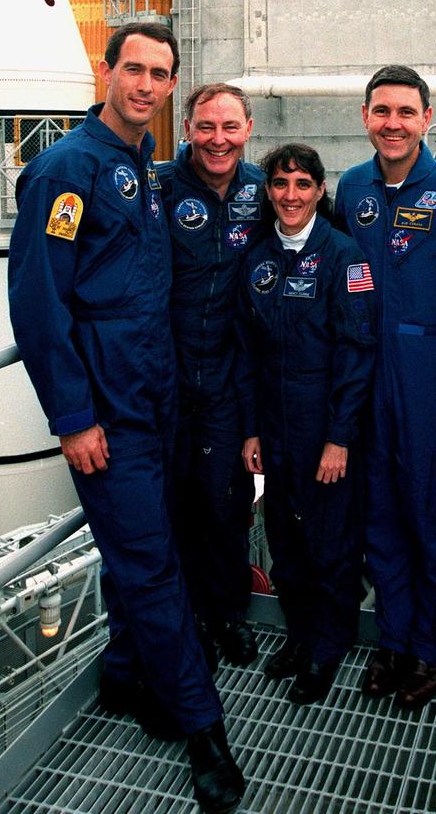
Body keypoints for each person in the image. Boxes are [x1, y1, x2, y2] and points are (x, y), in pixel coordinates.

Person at [8, 23, 245, 814]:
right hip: (109, 414)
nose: (145, 85)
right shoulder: (67, 171)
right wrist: (73, 417)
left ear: (171, 84)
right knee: (150, 563)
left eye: (159, 74)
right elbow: (39, 304)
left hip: (156, 397)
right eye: (133, 69)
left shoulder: (142, 165)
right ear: (106, 71)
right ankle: (203, 728)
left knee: (143, 551)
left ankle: (122, 675)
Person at [334, 65, 436, 710]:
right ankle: (392, 641)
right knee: (381, 520)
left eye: (405, 112)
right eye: (381, 111)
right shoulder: (351, 188)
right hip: (368, 376)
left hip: (430, 378)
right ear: (366, 116)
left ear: (427, 119)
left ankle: (430, 648)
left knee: (433, 522)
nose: (392, 124)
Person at [238, 144, 376, 704]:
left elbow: (357, 351)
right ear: (268, 191)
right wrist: (252, 429)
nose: (290, 195)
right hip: (276, 426)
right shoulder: (258, 257)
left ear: (320, 190)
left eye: (302, 184)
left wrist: (339, 438)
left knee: (330, 543)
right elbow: (246, 352)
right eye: (280, 184)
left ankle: (327, 646)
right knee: (285, 538)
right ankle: (299, 634)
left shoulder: (345, 256)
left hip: (325, 425)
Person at [157, 84, 264, 668]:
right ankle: (187, 621)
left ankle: (228, 615)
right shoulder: (158, 188)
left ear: (248, 128)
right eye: (206, 127)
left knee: (226, 505)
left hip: (229, 382)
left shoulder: (264, 191)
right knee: (173, 506)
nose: (217, 140)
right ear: (187, 130)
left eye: (229, 127)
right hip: (167, 378)